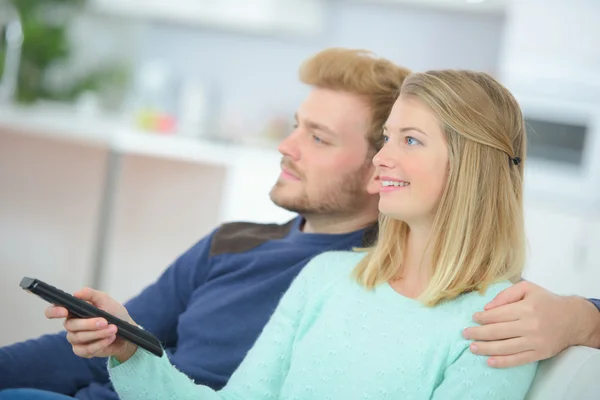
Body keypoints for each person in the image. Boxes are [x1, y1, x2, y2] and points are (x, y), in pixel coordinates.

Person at [0, 49, 598, 399]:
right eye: (388, 139)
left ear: (470, 168)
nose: (384, 159)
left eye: (408, 141)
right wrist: (131, 352)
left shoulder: (502, 320)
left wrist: (582, 313)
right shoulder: (325, 278)